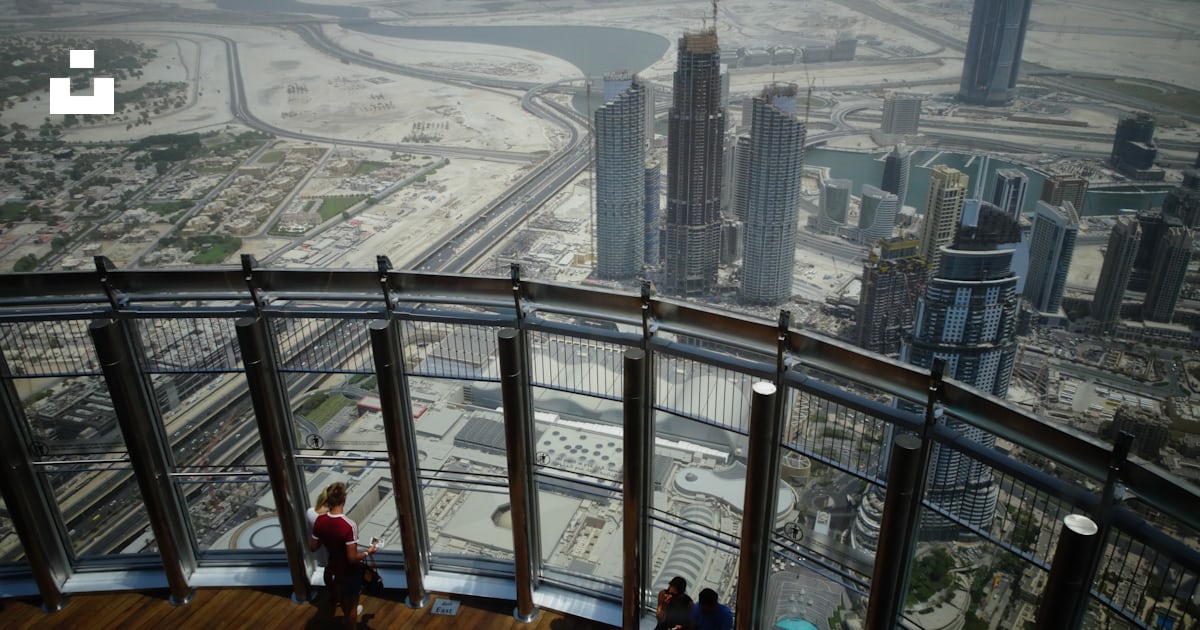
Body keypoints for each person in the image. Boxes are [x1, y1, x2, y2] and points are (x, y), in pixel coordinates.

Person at [310, 482, 378, 628]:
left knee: (342, 595)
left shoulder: (320, 520)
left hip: (334, 566)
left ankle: (346, 618)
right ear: (344, 499)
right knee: (352, 606)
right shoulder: (349, 525)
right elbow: (352, 558)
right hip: (349, 571)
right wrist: (368, 551)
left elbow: (313, 547)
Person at [305, 485, 333, 602]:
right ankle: (340, 597)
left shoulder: (310, 512)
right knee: (337, 573)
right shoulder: (326, 520)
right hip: (329, 551)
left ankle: (332, 593)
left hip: (320, 553)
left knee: (328, 571)